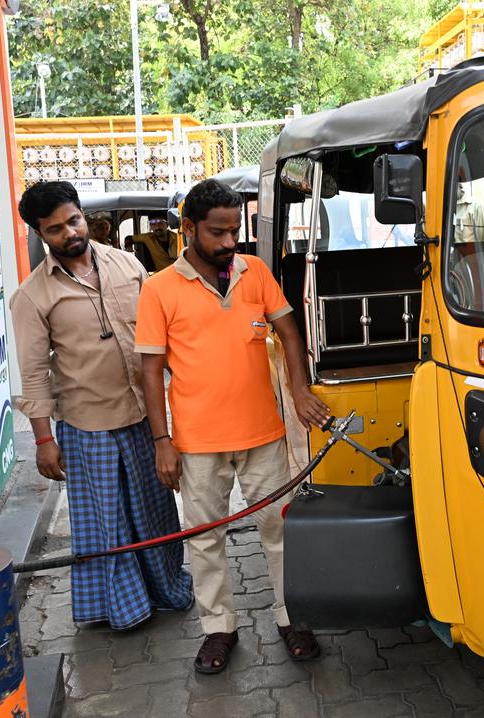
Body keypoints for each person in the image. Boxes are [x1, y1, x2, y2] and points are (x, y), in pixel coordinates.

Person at [135, 179, 332, 674]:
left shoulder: (256, 271)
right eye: (217, 232)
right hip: (197, 443)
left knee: (280, 529)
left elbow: (289, 329)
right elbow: (149, 370)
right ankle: (218, 629)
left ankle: (293, 617)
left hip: (263, 433)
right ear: (188, 228)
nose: (229, 243)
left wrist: (300, 390)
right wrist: (163, 441)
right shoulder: (159, 290)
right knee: (204, 538)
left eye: (235, 231)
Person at [10, 181, 192, 629]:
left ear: (83, 217)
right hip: (86, 423)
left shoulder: (128, 265)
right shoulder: (32, 296)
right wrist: (43, 440)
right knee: (106, 524)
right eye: (54, 229)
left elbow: (164, 335)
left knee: (155, 512)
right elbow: (33, 373)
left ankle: (167, 589)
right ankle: (125, 610)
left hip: (146, 417)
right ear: (39, 233)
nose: (69, 233)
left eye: (73, 220)